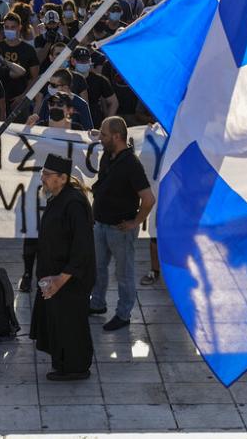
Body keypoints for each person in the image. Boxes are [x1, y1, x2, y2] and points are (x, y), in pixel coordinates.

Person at [29, 154, 95, 380]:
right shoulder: (57, 198)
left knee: (71, 324)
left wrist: (61, 279)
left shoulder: (74, 203)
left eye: (47, 175)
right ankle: (63, 363)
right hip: (55, 275)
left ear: (63, 178)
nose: (43, 178)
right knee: (59, 322)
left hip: (70, 279)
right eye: (43, 173)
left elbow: (82, 247)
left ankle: (76, 368)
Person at [88, 116, 155, 331]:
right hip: (100, 224)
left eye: (104, 134)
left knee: (124, 274)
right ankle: (97, 303)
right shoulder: (108, 155)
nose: (101, 138)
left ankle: (123, 314)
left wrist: (135, 222)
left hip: (120, 229)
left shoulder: (131, 164)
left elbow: (148, 199)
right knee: (98, 268)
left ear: (117, 136)